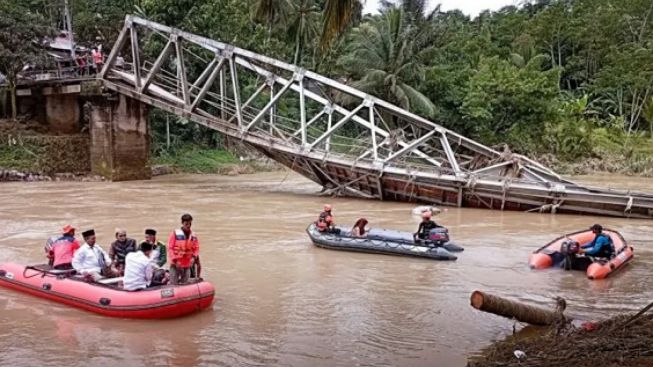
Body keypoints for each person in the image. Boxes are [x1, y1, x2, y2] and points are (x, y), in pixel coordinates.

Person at [168, 214, 200, 285]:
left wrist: (193, 257)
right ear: (182, 223)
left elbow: (196, 248)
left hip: (187, 265)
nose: (188, 226)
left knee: (185, 285)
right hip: (176, 264)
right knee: (173, 284)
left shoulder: (193, 235)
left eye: (190, 224)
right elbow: (170, 248)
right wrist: (175, 260)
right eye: (186, 224)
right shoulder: (175, 234)